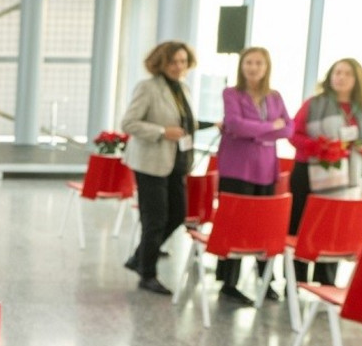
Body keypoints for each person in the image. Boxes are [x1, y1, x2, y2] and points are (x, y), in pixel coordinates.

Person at [287, 57, 362, 285]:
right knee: (302, 226)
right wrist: (319, 146)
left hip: (350, 179)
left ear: (357, 80)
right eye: (337, 72)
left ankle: (326, 281)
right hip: (310, 173)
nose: (340, 77)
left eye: (347, 74)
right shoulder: (313, 103)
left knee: (334, 227)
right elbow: (294, 133)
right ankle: (296, 282)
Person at [120, 40, 207, 296]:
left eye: (182, 61)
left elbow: (185, 123)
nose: (178, 66)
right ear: (161, 63)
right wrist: (161, 132)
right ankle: (147, 273)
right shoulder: (147, 88)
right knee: (154, 219)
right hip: (150, 162)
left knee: (178, 214)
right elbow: (129, 123)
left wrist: (214, 124)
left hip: (176, 164)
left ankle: (139, 257)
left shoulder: (184, 89)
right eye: (172, 62)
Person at [213, 47, 293, 304]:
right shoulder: (231, 93)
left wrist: (254, 132)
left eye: (259, 62)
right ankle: (229, 282)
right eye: (249, 62)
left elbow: (289, 129)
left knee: (264, 225)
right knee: (235, 224)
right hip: (237, 168)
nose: (254, 67)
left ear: (267, 66)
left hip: (266, 169)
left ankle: (266, 280)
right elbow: (235, 125)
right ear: (241, 66)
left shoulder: (275, 96)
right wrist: (270, 128)